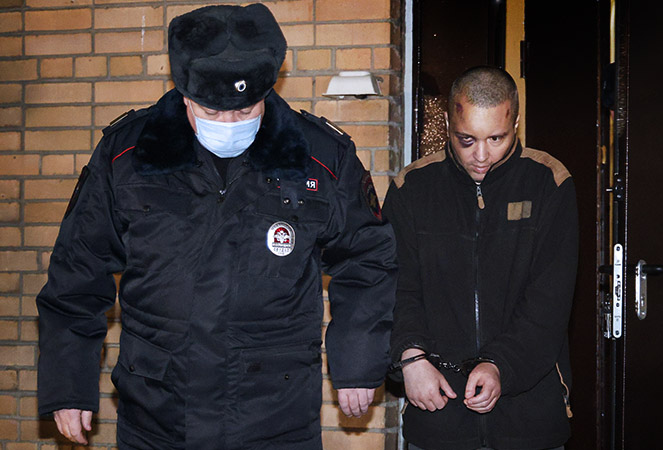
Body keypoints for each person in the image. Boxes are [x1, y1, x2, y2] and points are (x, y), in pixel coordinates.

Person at [36, 4, 397, 449]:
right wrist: (69, 384)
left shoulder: (320, 157)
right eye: (212, 110)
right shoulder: (127, 155)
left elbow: (367, 259)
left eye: (245, 111)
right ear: (184, 94)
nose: (229, 124)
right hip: (156, 415)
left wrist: (358, 360)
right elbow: (77, 270)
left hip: (274, 415)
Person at [383, 66, 578, 450]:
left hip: (529, 419)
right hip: (438, 417)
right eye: (467, 139)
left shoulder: (549, 182)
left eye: (497, 138)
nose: (482, 156)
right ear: (447, 123)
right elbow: (396, 287)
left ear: (516, 123)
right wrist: (410, 357)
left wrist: (500, 365)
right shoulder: (411, 188)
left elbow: (550, 301)